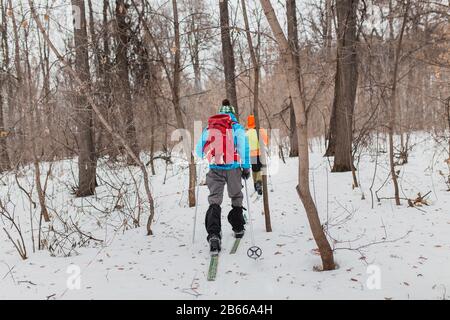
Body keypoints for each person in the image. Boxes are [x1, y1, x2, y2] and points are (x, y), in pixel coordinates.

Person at [196, 99, 251, 253]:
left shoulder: (210, 128)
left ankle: (214, 234)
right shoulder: (237, 127)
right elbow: (244, 149)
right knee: (236, 196)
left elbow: (199, 150)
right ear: (232, 113)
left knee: (215, 200)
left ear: (220, 112)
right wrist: (246, 168)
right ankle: (238, 227)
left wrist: (210, 157)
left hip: (215, 168)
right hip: (233, 168)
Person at [246, 115, 268, 196]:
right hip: (260, 153)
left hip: (251, 154)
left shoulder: (247, 133)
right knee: (260, 168)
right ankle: (259, 182)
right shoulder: (260, 130)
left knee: (254, 169)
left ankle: (255, 183)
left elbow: (245, 145)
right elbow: (266, 141)